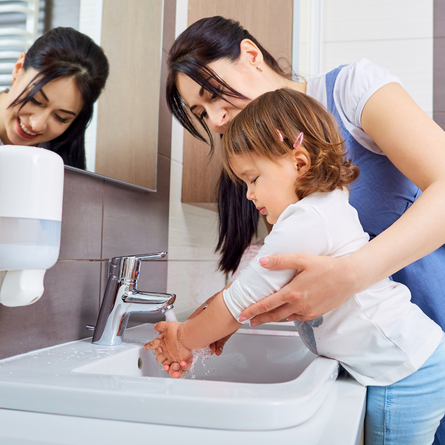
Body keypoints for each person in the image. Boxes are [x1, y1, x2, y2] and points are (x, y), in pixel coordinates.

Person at [146, 88, 445, 444]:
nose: (248, 194)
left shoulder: (307, 218)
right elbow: (243, 297)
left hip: (405, 372)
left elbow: (237, 302)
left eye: (253, 179)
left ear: (299, 163)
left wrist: (183, 339)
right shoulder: (324, 206)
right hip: (406, 361)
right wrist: (210, 324)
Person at [0, 27, 109, 169]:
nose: (37, 125)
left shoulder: (60, 159)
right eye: (35, 100)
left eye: (61, 117)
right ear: (18, 68)